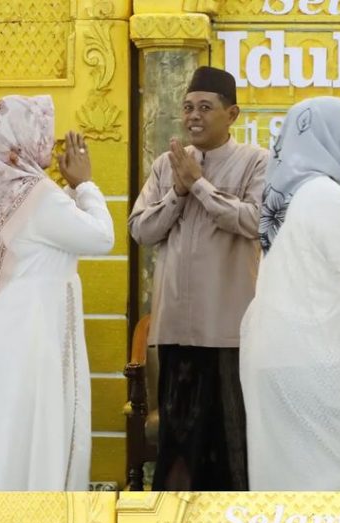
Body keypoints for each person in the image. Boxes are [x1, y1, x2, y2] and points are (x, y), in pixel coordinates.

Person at [0, 95, 114, 491]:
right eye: (39, 128)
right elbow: (101, 237)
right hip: (34, 327)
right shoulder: (36, 195)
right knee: (40, 429)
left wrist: (69, 191)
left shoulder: (2, 192)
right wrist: (85, 184)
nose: (47, 138)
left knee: (6, 435)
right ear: (18, 137)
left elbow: (55, 227)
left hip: (7, 322)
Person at [128, 66, 267, 491]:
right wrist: (178, 191)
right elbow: (140, 230)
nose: (193, 116)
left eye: (205, 108)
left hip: (229, 329)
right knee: (179, 444)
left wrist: (200, 185)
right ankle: (174, 522)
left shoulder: (256, 161)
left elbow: (256, 221)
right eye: (188, 107)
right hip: (176, 328)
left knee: (231, 443)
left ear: (232, 114)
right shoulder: (165, 166)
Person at [239, 96, 340, 490]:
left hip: (274, 353)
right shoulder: (324, 193)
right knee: (337, 472)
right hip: (311, 360)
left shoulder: (284, 193)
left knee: (286, 477)